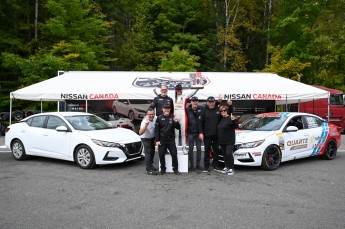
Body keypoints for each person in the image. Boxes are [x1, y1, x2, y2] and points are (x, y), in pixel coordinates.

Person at [154, 84, 198, 149]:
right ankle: (176, 147)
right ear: (176, 90)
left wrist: (197, 89)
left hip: (183, 115)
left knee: (183, 132)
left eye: (180, 89)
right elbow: (163, 96)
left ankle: (184, 147)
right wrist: (156, 93)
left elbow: (192, 93)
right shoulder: (172, 96)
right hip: (175, 115)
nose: (179, 90)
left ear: (182, 89)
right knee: (176, 133)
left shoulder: (185, 95)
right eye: (177, 89)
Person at [198, 95, 233, 172]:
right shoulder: (203, 110)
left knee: (216, 151)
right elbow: (200, 123)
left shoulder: (218, 109)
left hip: (217, 135)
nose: (211, 104)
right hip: (207, 135)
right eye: (209, 102)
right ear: (207, 103)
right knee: (206, 151)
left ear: (214, 102)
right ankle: (206, 167)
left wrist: (230, 105)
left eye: (212, 102)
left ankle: (216, 166)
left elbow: (227, 113)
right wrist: (200, 132)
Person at [155, 103, 181, 175]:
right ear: (163, 109)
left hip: (171, 140)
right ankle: (163, 169)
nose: (166, 110)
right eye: (165, 108)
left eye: (168, 109)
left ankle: (175, 169)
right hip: (162, 140)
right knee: (161, 155)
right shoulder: (159, 118)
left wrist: (176, 122)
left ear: (169, 110)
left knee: (174, 154)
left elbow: (178, 128)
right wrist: (157, 140)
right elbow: (157, 130)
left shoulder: (173, 117)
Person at [217, 105, 238, 175]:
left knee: (229, 153)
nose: (223, 112)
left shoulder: (230, 118)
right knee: (224, 154)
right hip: (222, 140)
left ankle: (231, 168)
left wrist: (234, 120)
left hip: (229, 140)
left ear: (227, 111)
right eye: (221, 111)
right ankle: (227, 166)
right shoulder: (221, 119)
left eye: (224, 110)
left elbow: (235, 126)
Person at [185, 96, 203, 170]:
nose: (195, 102)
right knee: (190, 149)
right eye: (193, 101)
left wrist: (201, 132)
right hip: (190, 132)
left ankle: (198, 165)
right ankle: (191, 165)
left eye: (196, 101)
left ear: (197, 102)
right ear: (191, 102)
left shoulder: (201, 109)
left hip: (199, 132)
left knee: (199, 149)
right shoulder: (187, 110)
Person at [139, 108, 157, 175]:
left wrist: (156, 138)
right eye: (150, 114)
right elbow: (140, 132)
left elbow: (156, 129)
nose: (151, 116)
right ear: (147, 115)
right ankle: (148, 169)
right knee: (148, 153)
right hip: (145, 138)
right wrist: (146, 126)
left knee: (152, 152)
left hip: (152, 137)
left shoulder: (155, 118)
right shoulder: (144, 121)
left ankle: (151, 166)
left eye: (153, 114)